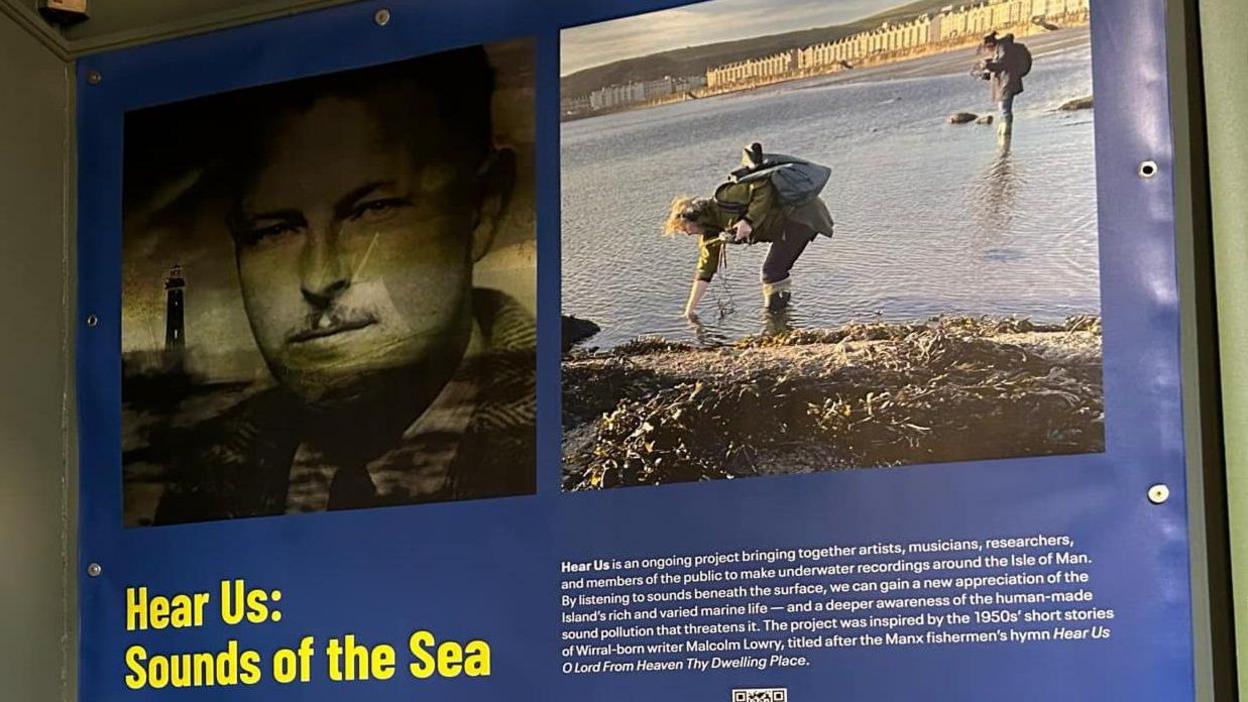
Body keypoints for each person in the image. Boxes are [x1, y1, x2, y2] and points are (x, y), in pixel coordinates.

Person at [151, 47, 535, 523]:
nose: (319, 278)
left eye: (372, 210)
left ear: (481, 211)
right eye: (273, 231)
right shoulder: (204, 482)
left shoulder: (572, 436)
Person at [664, 144, 834, 317]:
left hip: (801, 214)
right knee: (775, 270)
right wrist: (689, 311)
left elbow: (763, 186)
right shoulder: (710, 233)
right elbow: (705, 271)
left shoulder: (725, 197)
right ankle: (780, 318)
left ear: (694, 217)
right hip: (788, 223)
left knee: (772, 271)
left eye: (685, 228)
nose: (688, 233)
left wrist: (748, 221)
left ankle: (777, 322)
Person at [976, 32, 1032, 147]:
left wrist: (987, 66)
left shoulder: (1003, 47)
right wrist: (986, 75)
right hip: (1003, 84)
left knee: (1005, 110)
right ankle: (1004, 139)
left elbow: (1003, 65)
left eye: (986, 47)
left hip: (1007, 83)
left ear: (990, 43)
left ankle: (1006, 140)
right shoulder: (999, 49)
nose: (987, 50)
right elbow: (1000, 69)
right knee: (1003, 110)